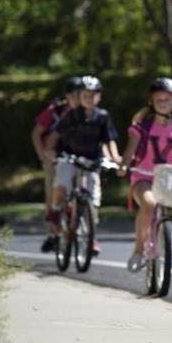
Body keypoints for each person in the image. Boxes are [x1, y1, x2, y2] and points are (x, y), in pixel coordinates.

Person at [120, 77, 172, 272]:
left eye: (167, 99)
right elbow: (130, 151)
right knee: (149, 203)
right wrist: (123, 165)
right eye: (159, 100)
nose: (163, 103)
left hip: (171, 177)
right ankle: (139, 249)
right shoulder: (143, 126)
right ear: (151, 102)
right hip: (144, 176)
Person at [43, 75, 123, 256]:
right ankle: (55, 211)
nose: (89, 99)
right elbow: (55, 135)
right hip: (70, 157)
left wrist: (115, 157)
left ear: (99, 97)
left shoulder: (103, 117)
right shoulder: (72, 115)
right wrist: (50, 150)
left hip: (92, 159)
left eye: (93, 95)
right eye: (85, 95)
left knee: (93, 200)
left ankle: (90, 236)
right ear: (80, 97)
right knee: (62, 185)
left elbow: (109, 140)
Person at [31, 75, 82, 252]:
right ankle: (53, 232)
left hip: (79, 156)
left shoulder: (90, 112)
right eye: (74, 95)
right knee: (54, 190)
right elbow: (37, 133)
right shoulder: (56, 111)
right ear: (67, 96)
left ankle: (85, 229)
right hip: (55, 156)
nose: (78, 98)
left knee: (86, 190)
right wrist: (43, 156)